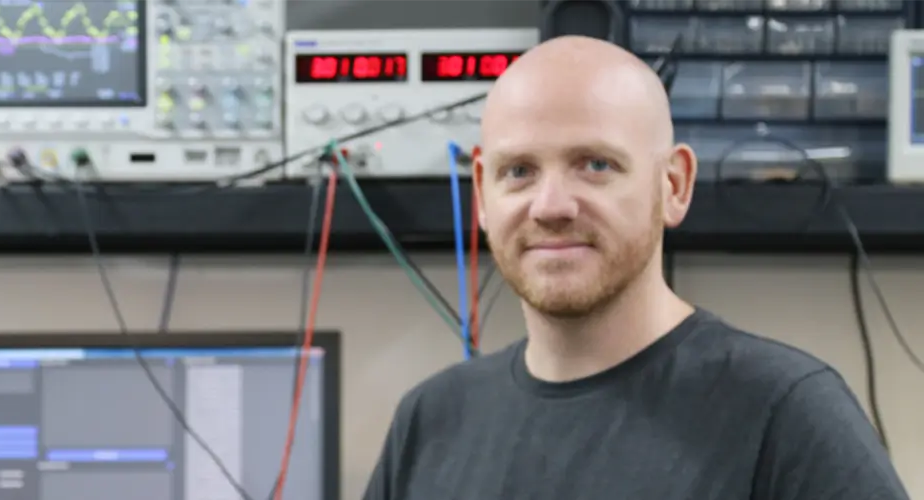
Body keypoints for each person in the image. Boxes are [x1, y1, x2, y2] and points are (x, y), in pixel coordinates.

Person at [362, 36, 909, 500]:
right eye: (520, 170)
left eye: (595, 165)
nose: (552, 205)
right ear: (482, 191)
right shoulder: (430, 422)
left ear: (673, 185)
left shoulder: (785, 415)